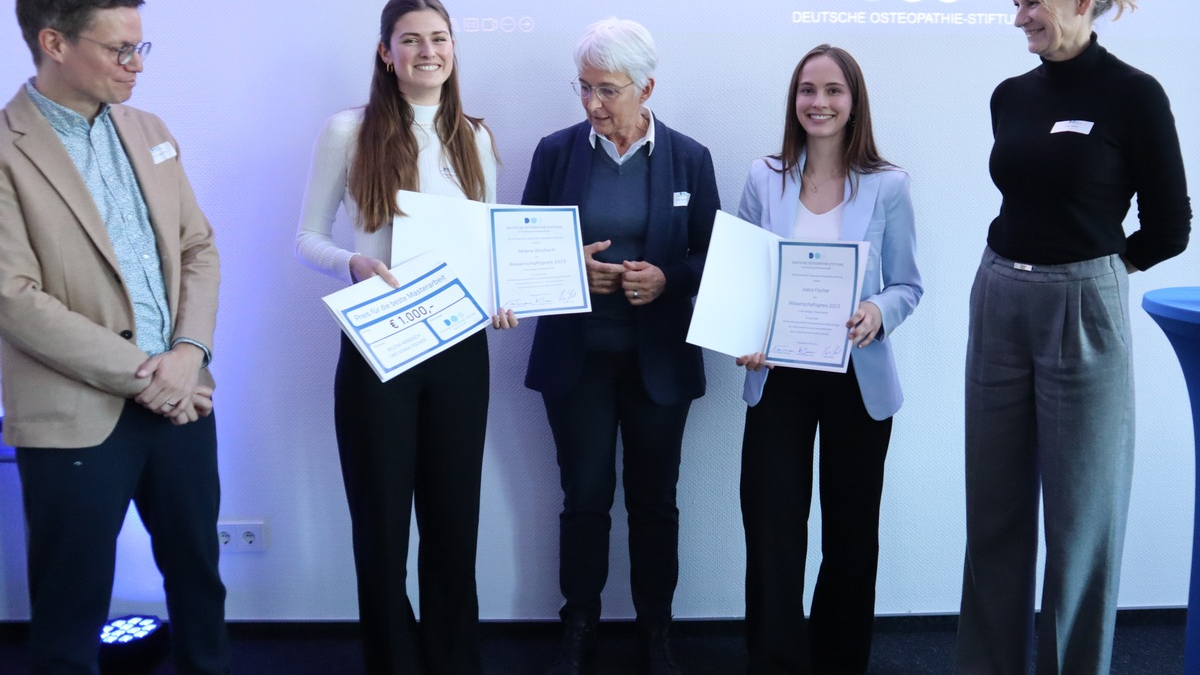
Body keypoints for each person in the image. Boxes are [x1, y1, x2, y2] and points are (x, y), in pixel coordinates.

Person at [956, 1, 1191, 673]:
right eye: (1016, 4)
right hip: (998, 294)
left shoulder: (1134, 94)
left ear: (1084, 3)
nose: (1019, 17)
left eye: (1033, 2)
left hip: (1082, 304)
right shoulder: (1010, 95)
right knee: (993, 510)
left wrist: (1097, 271)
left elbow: (1170, 225)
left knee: (1081, 521)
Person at [0, 1, 230, 673]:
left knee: (200, 588)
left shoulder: (149, 128)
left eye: (140, 47)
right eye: (118, 49)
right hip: (75, 414)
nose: (135, 65)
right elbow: (13, 297)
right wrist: (148, 373)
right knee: (70, 616)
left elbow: (199, 249)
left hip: (185, 399)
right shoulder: (6, 149)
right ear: (54, 43)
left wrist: (189, 355)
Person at [294, 0, 514, 673]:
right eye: (410, 40)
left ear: (454, 48)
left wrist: (503, 295)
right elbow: (308, 237)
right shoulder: (348, 130)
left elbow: (490, 244)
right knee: (383, 527)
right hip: (378, 345)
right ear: (385, 53)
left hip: (457, 348)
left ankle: (453, 660)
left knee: (454, 524)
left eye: (439, 39)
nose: (428, 52)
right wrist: (353, 263)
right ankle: (394, 661)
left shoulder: (473, 137)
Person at [520, 16, 719, 675]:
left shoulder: (690, 158)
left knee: (655, 499)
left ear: (646, 87)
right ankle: (578, 626)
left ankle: (655, 629)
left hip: (657, 361)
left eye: (608, 90)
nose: (592, 104)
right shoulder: (555, 152)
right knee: (584, 496)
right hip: (577, 358)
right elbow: (522, 255)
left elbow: (710, 258)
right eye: (584, 87)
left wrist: (666, 278)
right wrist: (571, 268)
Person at [734, 45, 922, 675]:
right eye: (807, 91)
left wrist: (878, 313)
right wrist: (743, 328)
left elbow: (908, 285)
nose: (819, 102)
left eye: (833, 90)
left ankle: (840, 662)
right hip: (778, 377)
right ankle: (776, 661)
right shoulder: (765, 177)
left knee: (850, 537)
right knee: (772, 532)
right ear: (794, 101)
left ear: (854, 101)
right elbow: (744, 281)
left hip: (857, 379)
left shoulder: (889, 185)